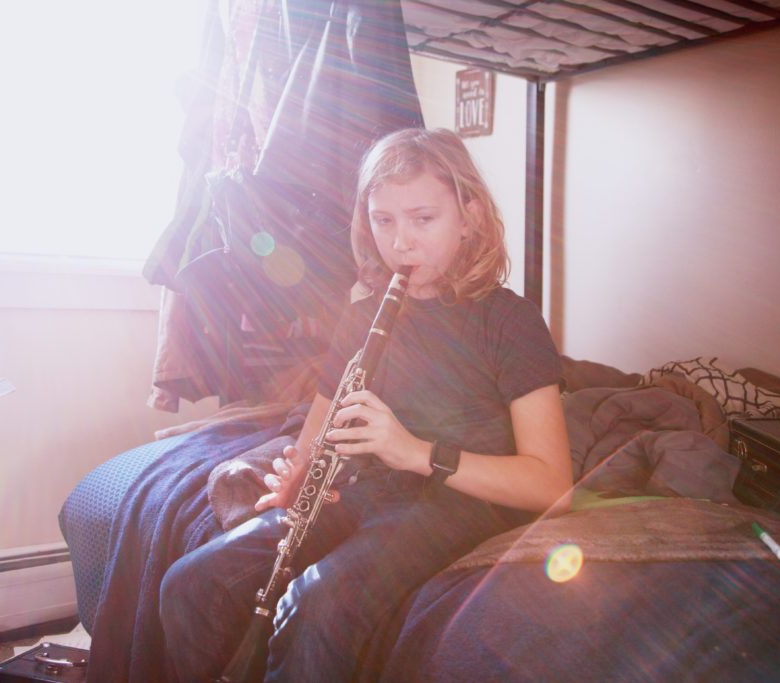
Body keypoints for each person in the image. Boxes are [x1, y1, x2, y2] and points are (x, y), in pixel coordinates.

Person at [158, 127, 572, 682]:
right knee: (191, 583)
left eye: (424, 219)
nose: (401, 242)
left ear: (468, 216)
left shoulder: (508, 320)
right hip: (362, 493)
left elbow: (552, 486)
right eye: (384, 221)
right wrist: (297, 476)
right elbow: (313, 438)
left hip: (456, 506)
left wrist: (415, 451)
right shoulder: (363, 316)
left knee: (319, 606)